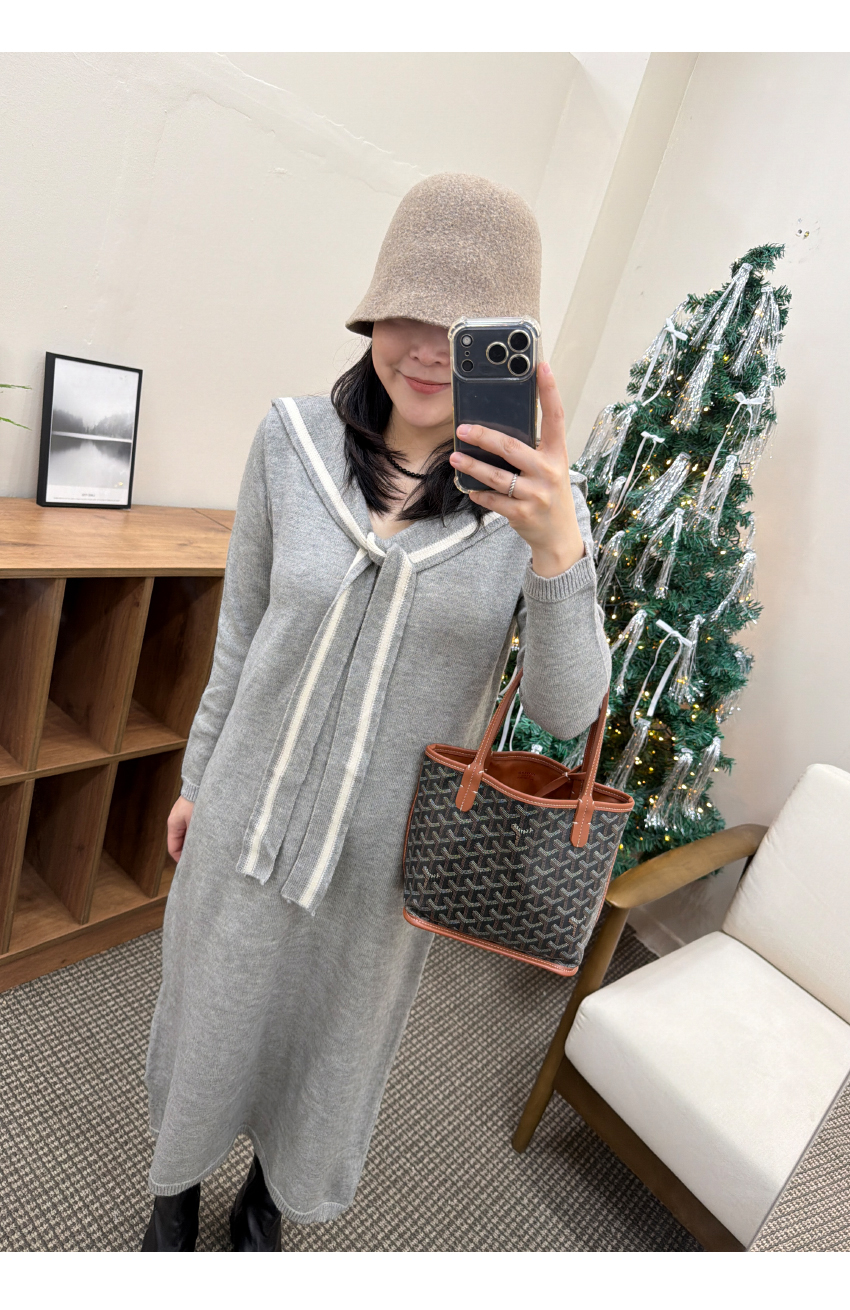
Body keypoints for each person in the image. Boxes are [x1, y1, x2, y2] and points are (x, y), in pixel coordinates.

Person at [141, 172, 611, 1252]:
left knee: (326, 1048)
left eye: (467, 329)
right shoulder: (291, 442)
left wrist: (558, 547)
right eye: (411, 312)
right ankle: (174, 1191)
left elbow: (563, 707)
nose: (430, 349)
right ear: (373, 311)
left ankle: (264, 1201)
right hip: (245, 822)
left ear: (509, 354)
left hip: (382, 866)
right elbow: (240, 633)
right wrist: (197, 781)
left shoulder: (528, 505)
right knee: (206, 1016)